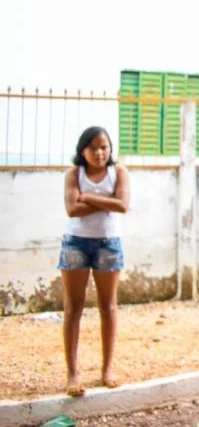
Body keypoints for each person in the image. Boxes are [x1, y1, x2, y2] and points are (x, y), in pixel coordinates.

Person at [59, 126, 130, 397]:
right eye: (93, 148)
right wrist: (107, 200)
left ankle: (107, 369)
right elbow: (71, 209)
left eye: (105, 147)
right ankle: (72, 372)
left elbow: (123, 205)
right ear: (82, 151)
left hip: (108, 243)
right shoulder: (73, 174)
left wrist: (87, 196)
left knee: (108, 307)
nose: (100, 153)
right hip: (75, 243)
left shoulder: (119, 172)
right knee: (73, 309)